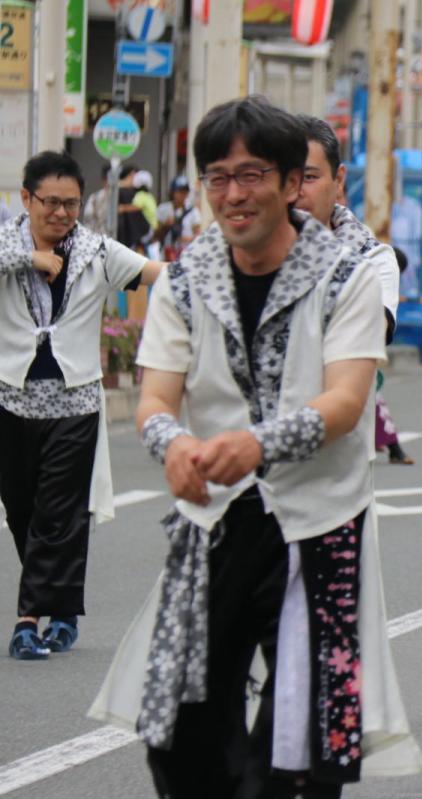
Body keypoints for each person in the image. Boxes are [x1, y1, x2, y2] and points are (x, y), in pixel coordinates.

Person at [89, 96, 422, 796]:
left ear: (289, 180)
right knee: (176, 735)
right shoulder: (184, 276)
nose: (233, 194)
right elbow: (155, 396)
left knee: (298, 753)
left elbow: (345, 400)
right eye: (217, 176)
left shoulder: (349, 272)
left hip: (320, 525)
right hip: (214, 519)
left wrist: (255, 443)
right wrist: (173, 443)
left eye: (251, 174)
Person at [0, 151, 163, 660]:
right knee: (22, 512)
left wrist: (225, 266)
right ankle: (63, 605)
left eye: (71, 204)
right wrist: (31, 258)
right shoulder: (6, 244)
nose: (62, 214)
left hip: (76, 402)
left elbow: (154, 271)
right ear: (25, 198)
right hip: (11, 399)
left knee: (58, 512)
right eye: (51, 202)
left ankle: (28, 622)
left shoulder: (95, 250)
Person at [293, 114, 410, 466]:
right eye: (284, 177)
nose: (296, 191)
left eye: (309, 177)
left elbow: (365, 339)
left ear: (338, 179)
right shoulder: (243, 255)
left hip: (334, 484)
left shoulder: (371, 261)